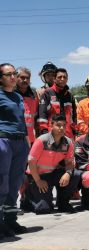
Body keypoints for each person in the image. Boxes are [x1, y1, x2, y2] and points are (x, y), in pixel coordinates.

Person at [26, 114, 80, 214]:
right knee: (43, 209)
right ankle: (28, 198)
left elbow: (69, 162)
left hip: (53, 174)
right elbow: (31, 162)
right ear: (51, 125)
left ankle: (63, 203)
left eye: (64, 125)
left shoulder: (68, 143)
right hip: (38, 176)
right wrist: (38, 181)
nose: (62, 128)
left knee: (75, 174)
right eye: (58, 125)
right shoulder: (42, 141)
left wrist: (67, 173)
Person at [0, 63, 30, 239]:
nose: (13, 77)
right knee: (1, 181)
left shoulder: (19, 97)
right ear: (1, 78)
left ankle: (10, 219)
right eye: (9, 74)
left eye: (14, 74)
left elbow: (22, 121)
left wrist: (27, 143)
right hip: (3, 140)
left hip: (20, 142)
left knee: (15, 183)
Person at [38, 68, 77, 139]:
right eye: (59, 77)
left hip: (68, 135)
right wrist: (44, 132)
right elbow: (42, 115)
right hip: (52, 135)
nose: (62, 79)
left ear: (67, 79)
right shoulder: (47, 93)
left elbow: (74, 116)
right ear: (54, 79)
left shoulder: (70, 96)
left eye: (65, 77)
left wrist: (75, 132)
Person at [15, 67, 38, 144]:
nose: (25, 80)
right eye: (22, 77)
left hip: (31, 139)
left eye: (27, 78)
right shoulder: (10, 93)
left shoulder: (34, 95)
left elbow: (36, 117)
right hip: (14, 139)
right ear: (16, 78)